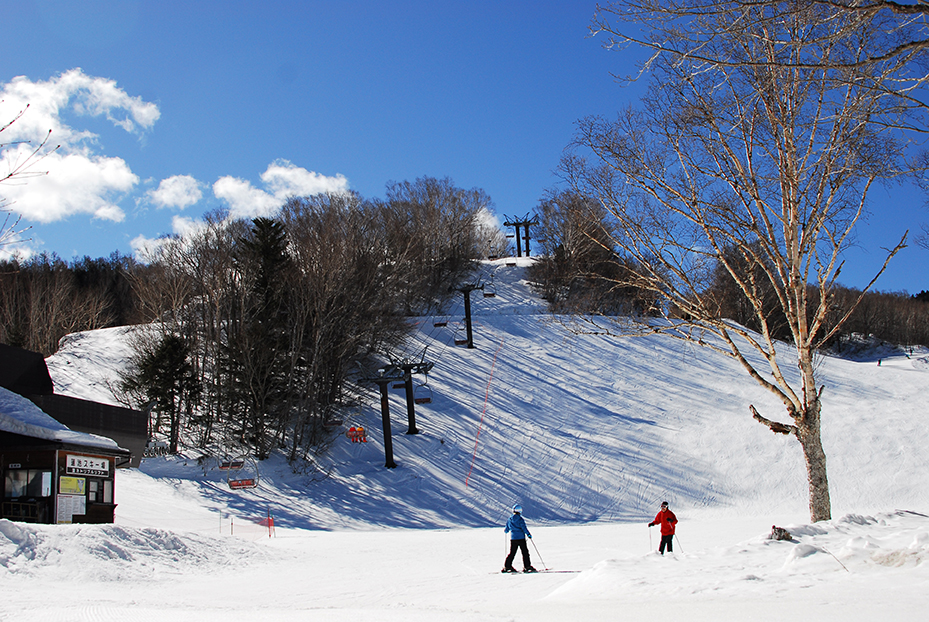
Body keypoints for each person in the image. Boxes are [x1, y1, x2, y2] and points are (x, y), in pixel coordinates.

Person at [502, 504, 537, 573]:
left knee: (512, 553)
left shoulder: (510, 519)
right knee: (525, 552)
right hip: (521, 538)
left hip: (513, 539)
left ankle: (507, 566)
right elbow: (524, 528)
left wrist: (506, 531)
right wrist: (528, 534)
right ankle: (527, 566)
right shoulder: (520, 519)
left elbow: (507, 529)